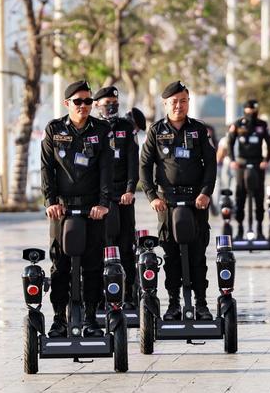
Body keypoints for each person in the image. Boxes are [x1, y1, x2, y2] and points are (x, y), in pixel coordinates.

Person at [139, 80, 217, 321]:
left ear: (188, 102)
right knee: (171, 255)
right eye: (174, 102)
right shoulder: (156, 131)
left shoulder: (199, 130)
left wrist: (206, 193)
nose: (178, 106)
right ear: (165, 104)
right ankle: (173, 304)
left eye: (183, 101)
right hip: (167, 202)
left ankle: (201, 303)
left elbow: (211, 163)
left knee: (197, 255)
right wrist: (152, 196)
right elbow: (144, 165)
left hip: (196, 201)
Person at [40, 80, 113, 337]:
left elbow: (106, 170)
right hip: (62, 209)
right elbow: (47, 168)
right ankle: (59, 319)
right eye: (78, 101)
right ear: (67, 103)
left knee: (93, 266)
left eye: (88, 101)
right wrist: (50, 202)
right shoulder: (54, 129)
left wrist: (103, 204)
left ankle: (91, 319)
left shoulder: (102, 130)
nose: (83, 106)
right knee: (60, 266)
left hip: (92, 209)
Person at [92, 85, 140, 309]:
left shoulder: (126, 128)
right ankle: (99, 295)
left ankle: (128, 293)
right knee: (100, 245)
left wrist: (130, 190)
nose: (111, 107)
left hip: (123, 196)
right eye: (107, 104)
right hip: (100, 198)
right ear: (97, 105)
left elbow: (133, 162)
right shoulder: (93, 128)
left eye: (114, 104)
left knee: (125, 245)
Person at [226, 99, 270, 239]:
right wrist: (232, 160)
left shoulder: (262, 125)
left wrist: (266, 160)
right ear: (245, 110)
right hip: (242, 163)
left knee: (259, 196)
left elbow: (269, 143)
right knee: (240, 195)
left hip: (258, 163)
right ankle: (240, 230)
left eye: (254, 110)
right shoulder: (238, 124)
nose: (252, 113)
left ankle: (259, 229)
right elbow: (230, 142)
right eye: (249, 110)